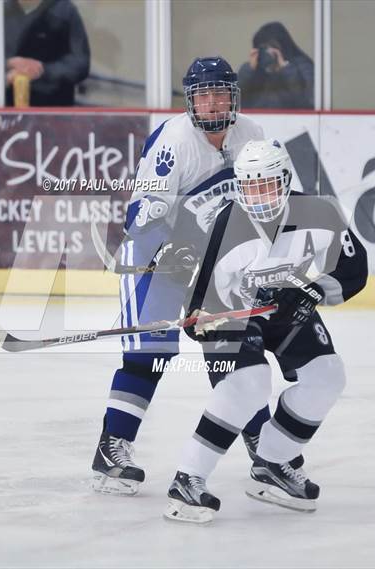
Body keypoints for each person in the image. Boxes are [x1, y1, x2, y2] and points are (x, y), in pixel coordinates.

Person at [91, 56, 285, 496]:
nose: (213, 103)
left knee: (232, 352)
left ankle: (265, 450)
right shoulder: (174, 142)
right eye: (204, 94)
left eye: (221, 93)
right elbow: (138, 218)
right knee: (150, 352)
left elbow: (268, 197)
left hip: (218, 258)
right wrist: (155, 216)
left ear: (233, 97)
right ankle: (112, 445)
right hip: (160, 254)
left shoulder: (252, 135)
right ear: (191, 100)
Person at [163, 138, 368, 523]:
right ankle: (187, 480)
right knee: (250, 383)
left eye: (267, 184)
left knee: (327, 376)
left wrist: (309, 290)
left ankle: (271, 463)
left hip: (288, 309)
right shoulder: (228, 222)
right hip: (235, 313)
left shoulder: (318, 212)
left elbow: (354, 270)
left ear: (285, 180)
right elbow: (199, 297)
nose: (258, 195)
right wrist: (201, 319)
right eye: (250, 185)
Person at [0, 0, 90, 106]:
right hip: (7, 110)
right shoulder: (0, 11)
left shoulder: (64, 11)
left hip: (52, 112)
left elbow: (81, 63)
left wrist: (42, 70)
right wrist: (8, 65)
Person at [237, 22, 314, 109]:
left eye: (272, 47)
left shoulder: (302, 67)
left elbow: (307, 102)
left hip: (292, 121)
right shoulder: (255, 70)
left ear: (283, 46)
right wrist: (249, 70)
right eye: (263, 48)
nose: (268, 53)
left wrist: (286, 69)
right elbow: (236, 102)